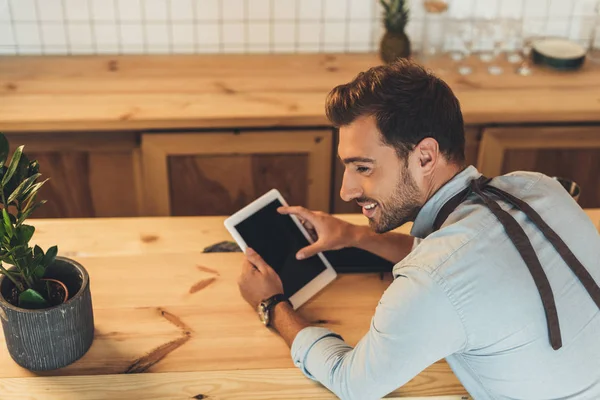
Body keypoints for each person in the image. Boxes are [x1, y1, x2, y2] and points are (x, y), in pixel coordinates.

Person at [236, 59, 600, 400]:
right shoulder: (540, 187)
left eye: (362, 168)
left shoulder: (430, 283)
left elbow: (351, 381)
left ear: (425, 156)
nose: (346, 191)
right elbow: (466, 263)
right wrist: (354, 236)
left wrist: (271, 304)